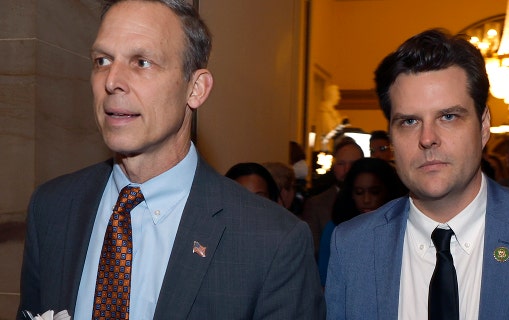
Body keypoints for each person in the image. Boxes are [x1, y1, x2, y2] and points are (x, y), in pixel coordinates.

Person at [17, 1, 325, 318]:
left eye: (142, 62)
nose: (112, 81)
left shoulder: (272, 241)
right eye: (102, 60)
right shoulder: (53, 208)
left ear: (196, 88)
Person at [325, 28, 509, 319]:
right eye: (409, 121)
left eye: (448, 116)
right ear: (392, 136)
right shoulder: (352, 247)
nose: (427, 138)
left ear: (484, 124)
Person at [317, 157, 407, 286]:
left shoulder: (403, 229)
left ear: (388, 191)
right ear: (351, 194)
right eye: (359, 192)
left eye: (374, 192)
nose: (366, 199)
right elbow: (326, 283)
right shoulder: (335, 230)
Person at [302, 136, 363, 256]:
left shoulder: (377, 202)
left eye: (353, 164)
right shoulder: (316, 204)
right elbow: (313, 251)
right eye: (341, 164)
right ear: (334, 167)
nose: (347, 169)